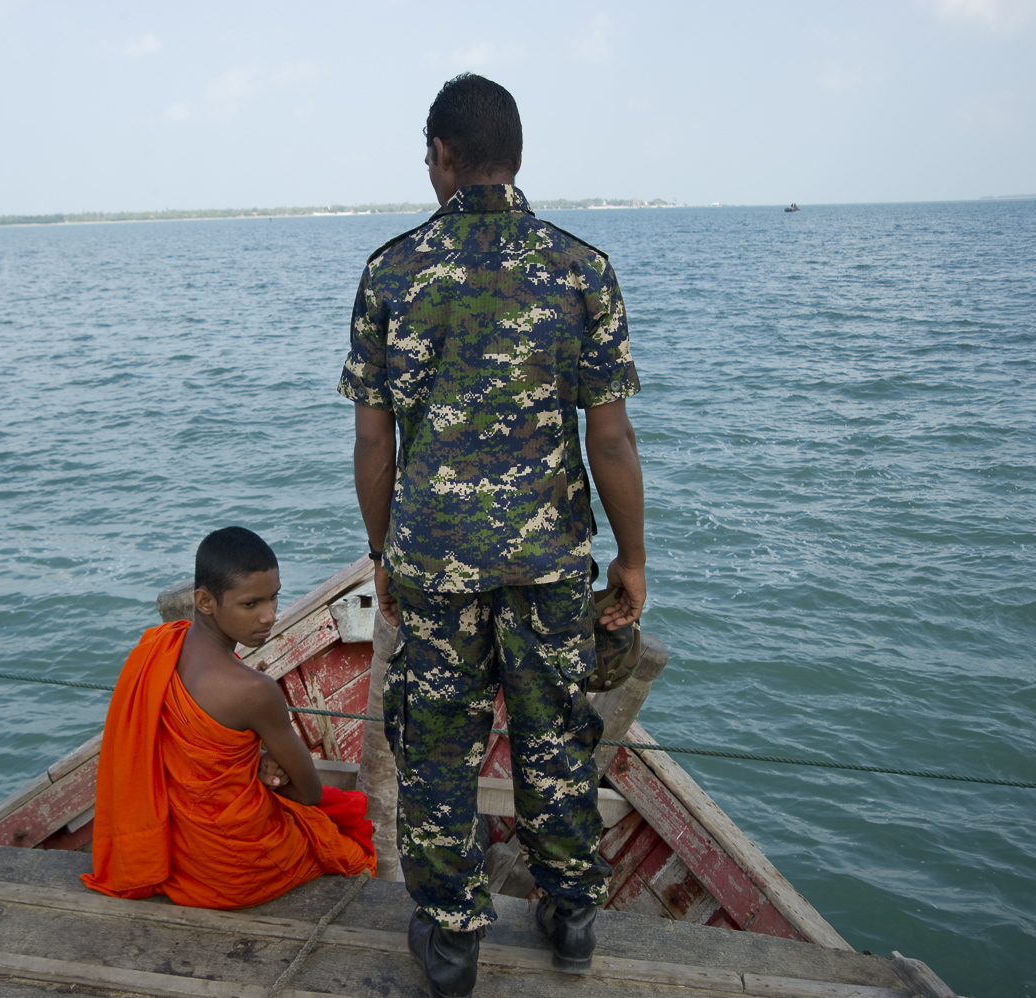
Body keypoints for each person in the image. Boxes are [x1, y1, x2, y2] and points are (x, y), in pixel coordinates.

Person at [338, 74, 645, 997]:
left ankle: (451, 945)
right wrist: (631, 558)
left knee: (434, 749)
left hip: (432, 562)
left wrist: (383, 553)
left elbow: (371, 439)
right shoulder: (580, 268)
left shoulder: (392, 271)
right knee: (555, 735)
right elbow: (612, 436)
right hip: (550, 561)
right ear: (516, 155)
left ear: (440, 154)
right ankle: (572, 919)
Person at [81, 526, 376, 908]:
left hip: (176, 850)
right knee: (349, 846)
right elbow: (309, 792)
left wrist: (251, 764)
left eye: (274, 598)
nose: (269, 616)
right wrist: (265, 769)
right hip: (236, 868)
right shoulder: (254, 691)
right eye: (250, 604)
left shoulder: (160, 646)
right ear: (204, 601)